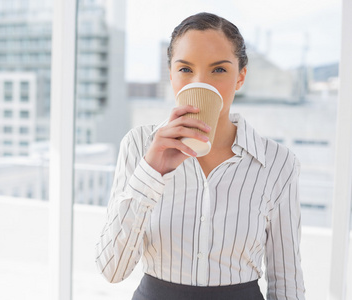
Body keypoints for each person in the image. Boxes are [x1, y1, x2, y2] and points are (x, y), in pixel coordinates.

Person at [95, 12, 305, 300]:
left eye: (218, 70)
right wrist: (151, 170)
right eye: (185, 69)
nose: (200, 82)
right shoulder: (138, 145)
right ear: (170, 74)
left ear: (240, 77)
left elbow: (287, 281)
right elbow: (112, 269)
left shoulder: (278, 162)